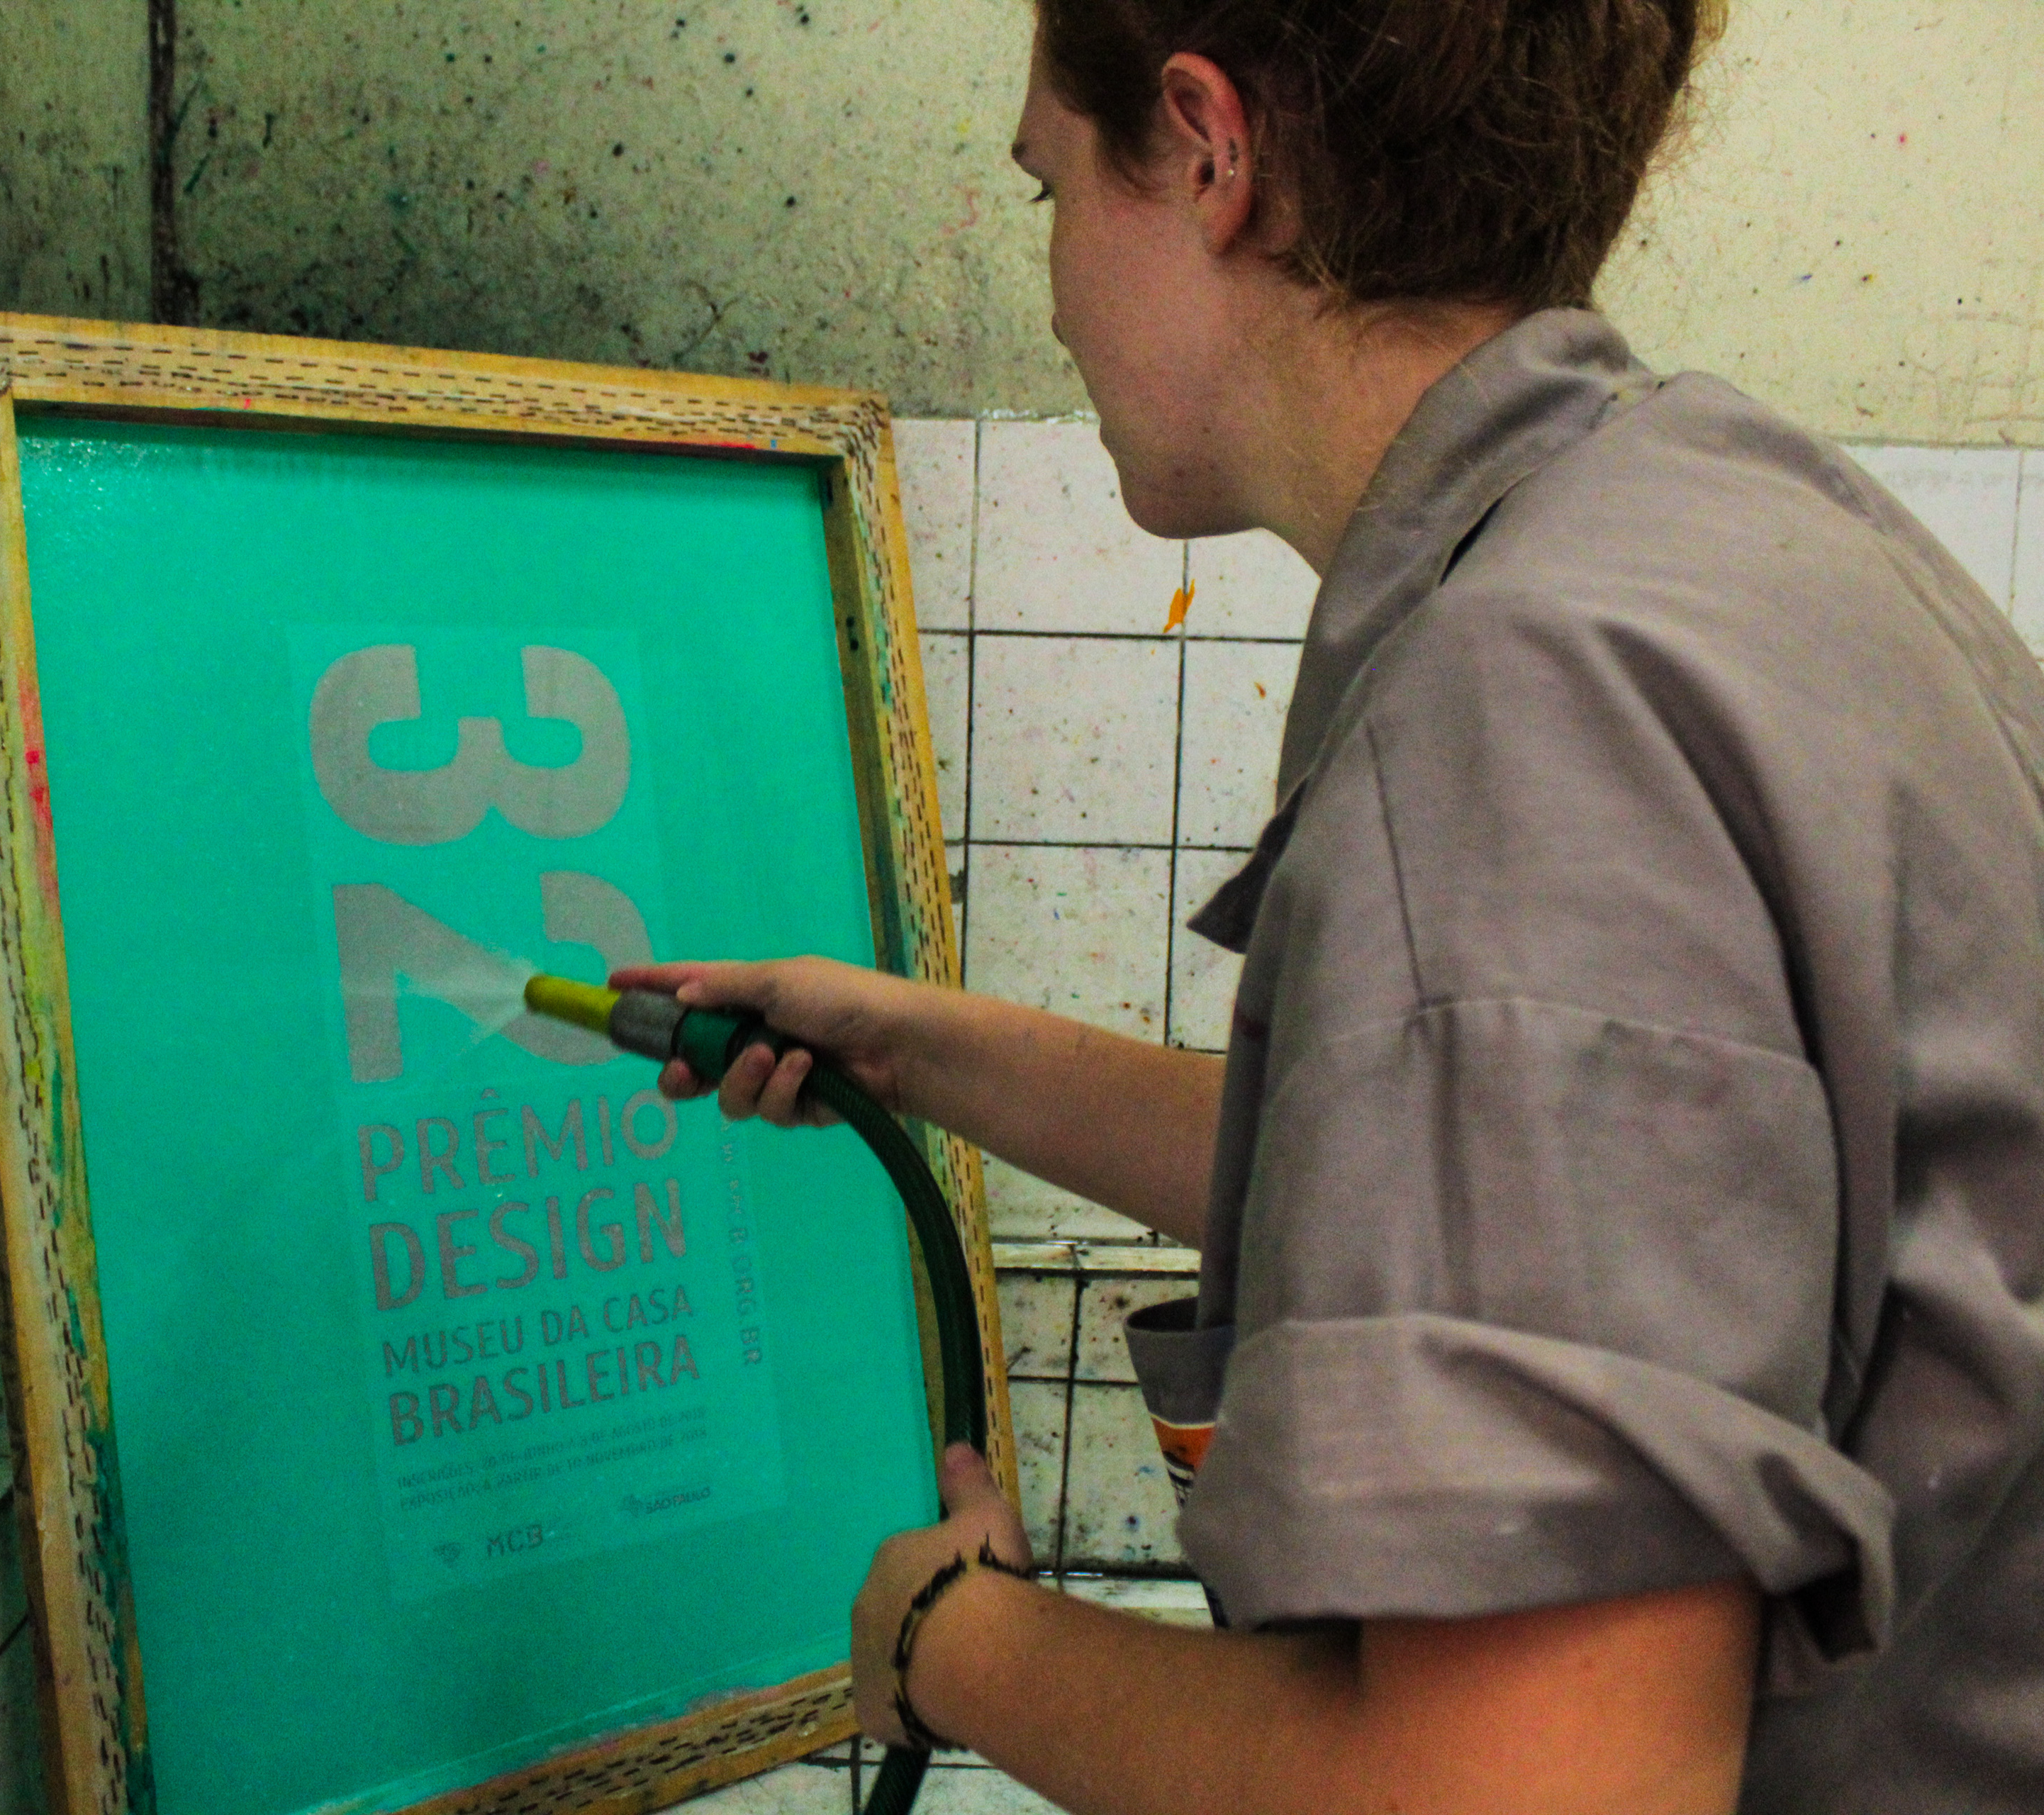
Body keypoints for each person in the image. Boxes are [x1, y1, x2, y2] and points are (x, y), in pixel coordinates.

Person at [618, 2, 2044, 1811]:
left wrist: (952, 1645)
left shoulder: (1530, 713)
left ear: (1210, 152)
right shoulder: (1724, 523)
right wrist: (921, 1048)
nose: (1054, 298)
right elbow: (1498, 1164)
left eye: (1052, 189)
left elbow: (1522, 1791)